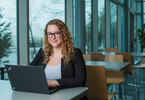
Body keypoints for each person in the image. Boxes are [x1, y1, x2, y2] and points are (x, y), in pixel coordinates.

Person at [30, 19, 88, 100]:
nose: (53, 37)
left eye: (57, 33)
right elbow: (30, 72)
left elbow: (80, 81)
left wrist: (52, 83)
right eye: (50, 34)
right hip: (45, 96)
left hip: (69, 97)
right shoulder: (42, 53)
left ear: (64, 34)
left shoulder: (75, 53)